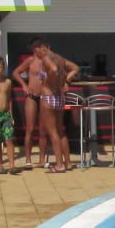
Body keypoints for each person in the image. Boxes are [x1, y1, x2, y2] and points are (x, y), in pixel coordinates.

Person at [29, 37, 79, 173]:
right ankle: (67, 163)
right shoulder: (60, 58)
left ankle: (59, 164)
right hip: (59, 96)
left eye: (36, 50)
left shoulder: (46, 58)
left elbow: (53, 69)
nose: (36, 54)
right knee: (60, 131)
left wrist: (47, 82)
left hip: (48, 96)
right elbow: (75, 68)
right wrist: (66, 81)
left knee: (52, 132)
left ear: (43, 47)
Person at [10, 49, 46, 171]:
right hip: (32, 96)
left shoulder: (48, 61)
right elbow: (16, 73)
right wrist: (24, 85)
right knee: (30, 129)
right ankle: (28, 160)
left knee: (43, 130)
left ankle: (42, 159)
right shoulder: (30, 60)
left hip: (44, 96)